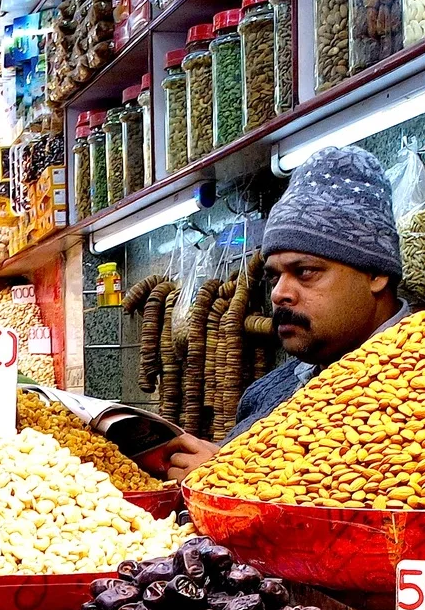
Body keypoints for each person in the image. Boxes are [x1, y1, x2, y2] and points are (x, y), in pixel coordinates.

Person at [159, 147, 408, 475]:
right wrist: (215, 460)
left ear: (376, 273)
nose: (279, 294)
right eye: (274, 276)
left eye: (305, 271)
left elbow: (377, 499)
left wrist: (228, 478)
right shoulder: (268, 392)